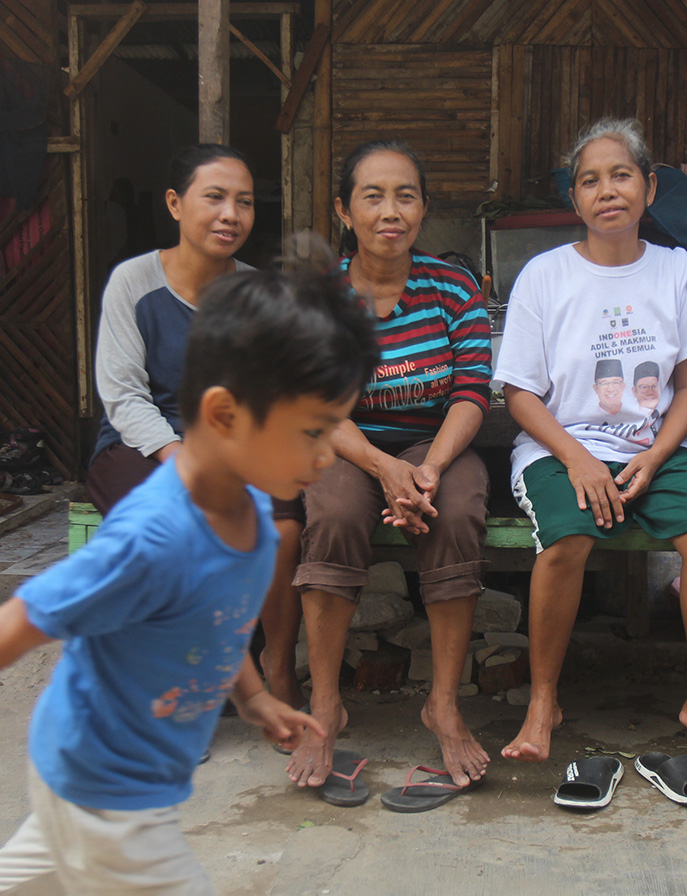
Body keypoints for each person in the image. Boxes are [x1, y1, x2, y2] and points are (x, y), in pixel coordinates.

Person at [0, 263, 380, 894]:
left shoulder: (255, 520)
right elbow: (21, 620)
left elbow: (215, 626)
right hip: (105, 787)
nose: (326, 455)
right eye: (313, 431)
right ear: (226, 415)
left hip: (116, 776)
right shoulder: (151, 539)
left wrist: (254, 698)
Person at [494, 118, 687, 767]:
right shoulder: (544, 275)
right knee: (568, 539)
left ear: (649, 185)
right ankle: (543, 699)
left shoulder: (675, 271)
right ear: (575, 198)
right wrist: (577, 458)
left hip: (655, 446)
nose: (607, 190)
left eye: (621, 175)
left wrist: (657, 452)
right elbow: (519, 394)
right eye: (590, 180)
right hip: (563, 446)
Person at [275, 139, 494, 799]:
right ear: (346, 210)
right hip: (347, 446)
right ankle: (326, 704)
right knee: (337, 513)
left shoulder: (454, 287)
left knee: (456, 511)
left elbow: (471, 392)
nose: (389, 211)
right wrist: (379, 466)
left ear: (423, 209)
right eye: (373, 196)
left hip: (438, 447)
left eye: (405, 195)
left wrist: (424, 468)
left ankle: (444, 703)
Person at [86, 144, 254, 515]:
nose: (231, 214)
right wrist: (178, 456)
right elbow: (123, 395)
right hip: (139, 447)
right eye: (214, 197)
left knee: (281, 518)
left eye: (244, 202)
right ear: (175, 204)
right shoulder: (132, 282)